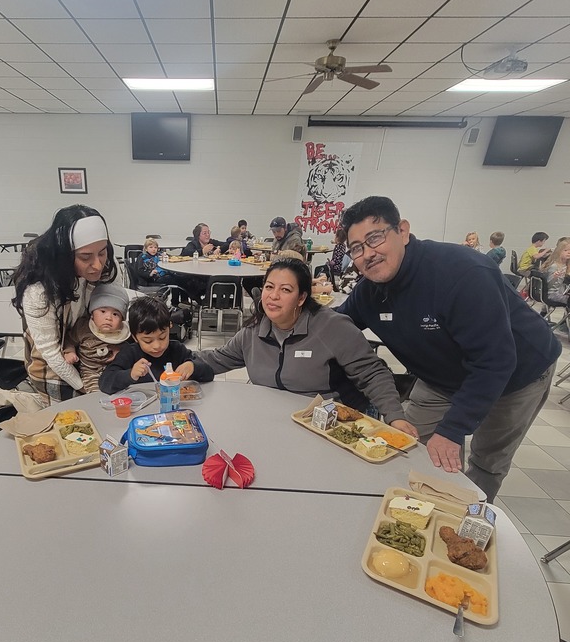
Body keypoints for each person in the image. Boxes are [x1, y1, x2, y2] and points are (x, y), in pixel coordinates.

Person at [337, 195, 561, 501]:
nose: (368, 254)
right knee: (401, 439)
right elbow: (336, 326)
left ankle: (466, 521)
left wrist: (454, 430)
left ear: (402, 231)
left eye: (375, 238)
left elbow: (495, 361)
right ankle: (397, 502)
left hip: (516, 375)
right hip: (440, 378)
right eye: (357, 248)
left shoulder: (462, 273)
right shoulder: (370, 292)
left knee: (486, 460)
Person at [197, 257, 415, 424]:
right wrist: (174, 357)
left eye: (285, 290)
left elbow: (373, 372)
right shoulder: (254, 331)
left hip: (335, 423)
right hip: (281, 421)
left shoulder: (332, 326)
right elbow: (216, 359)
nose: (273, 296)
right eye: (269, 287)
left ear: (301, 297)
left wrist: (395, 416)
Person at [12, 204, 117, 400]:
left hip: (89, 350)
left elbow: (115, 305)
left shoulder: (106, 264)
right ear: (65, 256)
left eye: (102, 252)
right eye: (86, 257)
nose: (98, 264)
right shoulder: (39, 292)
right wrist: (86, 389)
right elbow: (52, 354)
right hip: (55, 366)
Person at [99, 295, 214, 394]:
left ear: (169, 327)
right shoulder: (130, 353)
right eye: (148, 341)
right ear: (135, 337)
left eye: (162, 337)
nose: (157, 346)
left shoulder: (177, 349)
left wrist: (193, 366)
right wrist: (130, 374)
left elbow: (209, 374)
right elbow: (104, 383)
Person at [63, 284, 130, 394]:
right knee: (96, 394)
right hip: (90, 370)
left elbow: (131, 347)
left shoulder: (124, 332)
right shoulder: (83, 328)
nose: (108, 318)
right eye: (103, 311)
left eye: (115, 314)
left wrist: (122, 350)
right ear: (92, 314)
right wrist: (70, 352)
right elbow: (69, 340)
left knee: (122, 390)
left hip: (113, 370)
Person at [541, 239, 570, 303]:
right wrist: (554, 277)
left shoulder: (565, 265)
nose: (569, 252)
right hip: (552, 294)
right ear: (559, 252)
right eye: (565, 250)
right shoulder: (554, 266)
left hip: (562, 291)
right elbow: (548, 285)